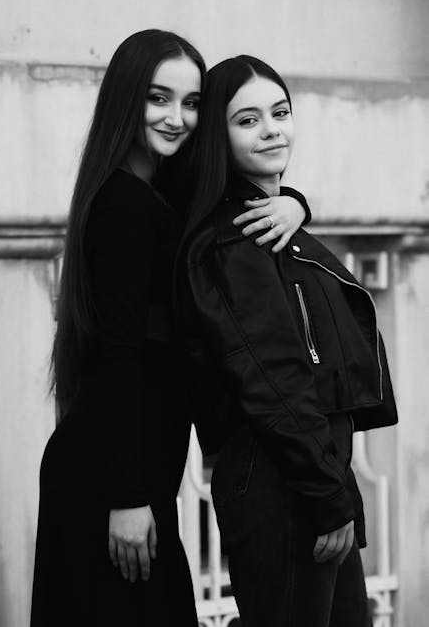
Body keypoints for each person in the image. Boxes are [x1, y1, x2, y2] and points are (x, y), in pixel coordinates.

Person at [30, 33, 309, 626]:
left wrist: (295, 204)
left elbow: (240, 193)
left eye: (191, 103)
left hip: (136, 475)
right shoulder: (124, 206)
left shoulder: (156, 192)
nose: (177, 119)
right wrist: (127, 497)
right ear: (127, 100)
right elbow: (119, 354)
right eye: (159, 99)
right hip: (113, 486)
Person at [176, 55, 398, 627]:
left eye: (280, 112)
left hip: (310, 465)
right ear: (218, 140)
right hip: (280, 473)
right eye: (247, 120)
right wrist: (326, 496)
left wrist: (296, 202)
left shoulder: (272, 223)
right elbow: (273, 375)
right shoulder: (239, 240)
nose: (272, 128)